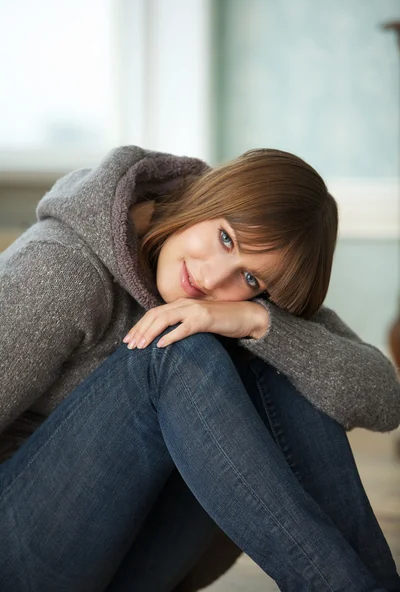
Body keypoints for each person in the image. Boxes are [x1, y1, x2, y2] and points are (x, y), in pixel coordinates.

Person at [0, 145, 399, 592]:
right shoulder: (63, 266)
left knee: (283, 361)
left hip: (123, 558)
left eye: (250, 279)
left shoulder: (244, 304)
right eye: (226, 238)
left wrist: (259, 321)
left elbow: (385, 400)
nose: (212, 279)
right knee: (175, 353)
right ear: (207, 199)